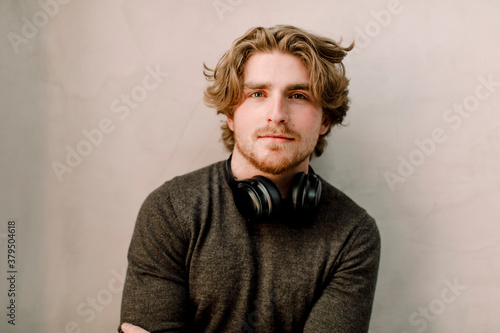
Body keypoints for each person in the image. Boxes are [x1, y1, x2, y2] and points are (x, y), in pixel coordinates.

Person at [119, 25, 380, 333]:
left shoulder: (353, 233)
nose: (277, 114)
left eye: (298, 95)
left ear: (325, 119)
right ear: (231, 113)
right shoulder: (171, 210)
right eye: (258, 93)